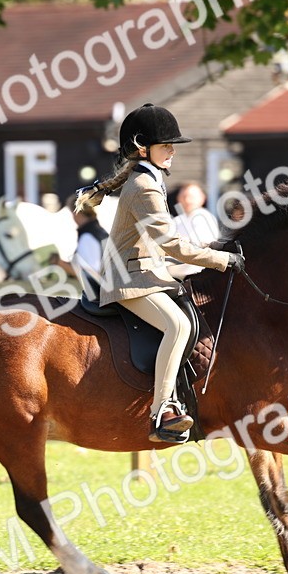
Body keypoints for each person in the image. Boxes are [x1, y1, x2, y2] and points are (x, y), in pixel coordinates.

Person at [74, 103, 242, 442]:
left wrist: (212, 250)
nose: (172, 152)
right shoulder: (144, 187)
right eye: (166, 146)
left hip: (150, 270)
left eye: (172, 146)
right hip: (130, 279)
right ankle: (162, 411)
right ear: (142, 148)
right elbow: (171, 243)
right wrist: (220, 260)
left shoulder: (149, 179)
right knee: (178, 325)